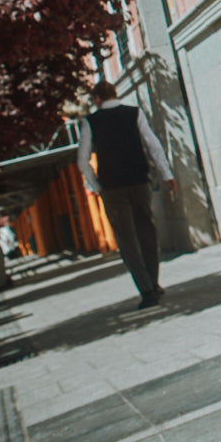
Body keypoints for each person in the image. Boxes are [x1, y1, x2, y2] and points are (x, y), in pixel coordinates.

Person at [77, 80, 176, 310]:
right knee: (147, 232)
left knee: (126, 240)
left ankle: (147, 289)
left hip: (112, 188)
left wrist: (96, 185)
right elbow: (153, 145)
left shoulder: (90, 122)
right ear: (114, 93)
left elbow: (83, 160)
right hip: (140, 181)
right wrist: (166, 173)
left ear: (97, 98)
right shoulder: (134, 113)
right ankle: (153, 282)